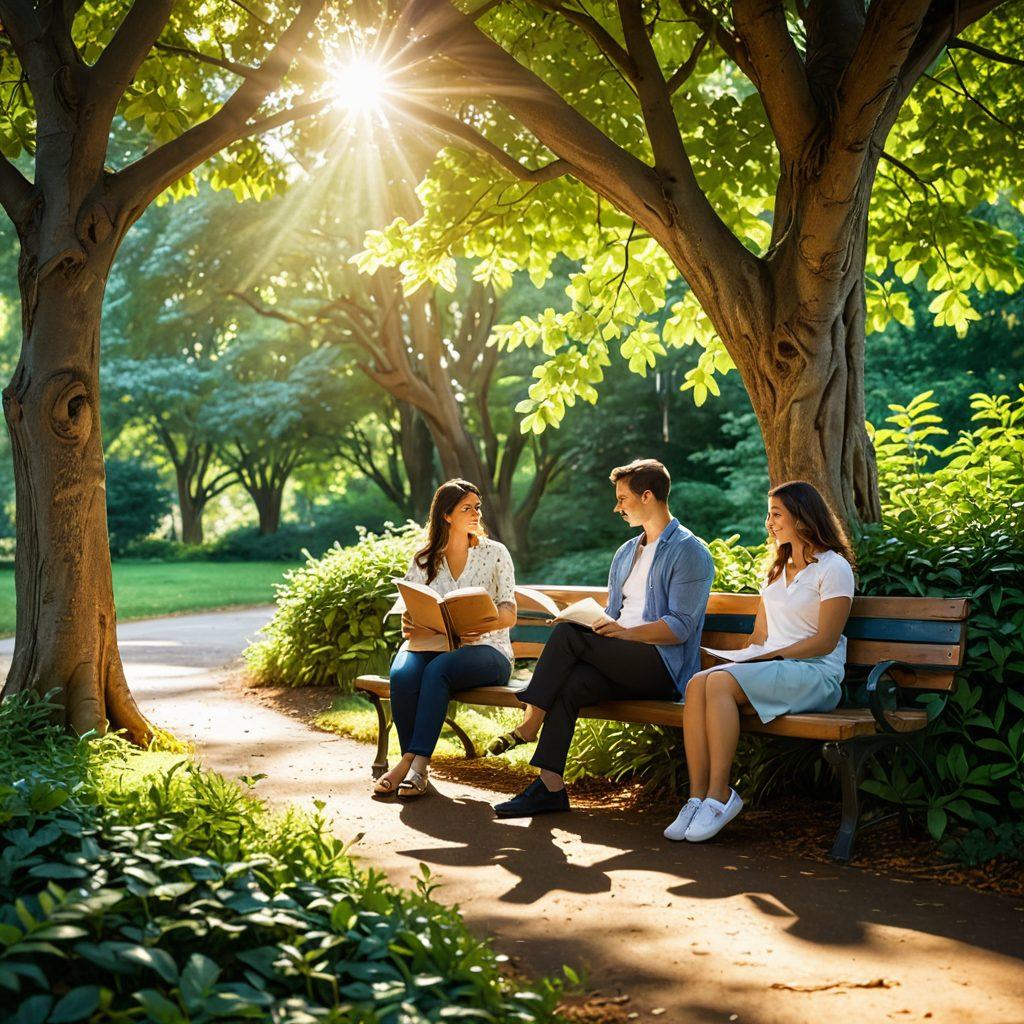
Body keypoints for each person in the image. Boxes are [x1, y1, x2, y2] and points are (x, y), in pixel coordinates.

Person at [491, 458, 715, 818]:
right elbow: (613, 612)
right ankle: (549, 787)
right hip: (620, 657)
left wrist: (623, 633)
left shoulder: (690, 552)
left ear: (647, 496)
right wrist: (590, 622)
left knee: (568, 636)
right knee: (570, 683)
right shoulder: (626, 553)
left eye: (623, 499)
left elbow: (680, 627)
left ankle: (530, 723)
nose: (617, 507)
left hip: (660, 666)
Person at [665, 480, 856, 843]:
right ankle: (697, 797)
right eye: (768, 514)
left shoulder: (834, 569)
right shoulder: (775, 572)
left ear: (803, 517)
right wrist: (740, 657)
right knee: (697, 683)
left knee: (719, 683)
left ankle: (721, 795)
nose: (769, 522)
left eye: (776, 514)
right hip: (774, 668)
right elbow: (759, 639)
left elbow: (825, 641)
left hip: (816, 674)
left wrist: (767, 657)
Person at [373, 479, 517, 799]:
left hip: (487, 649)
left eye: (477, 507)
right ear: (446, 515)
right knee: (402, 672)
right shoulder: (424, 559)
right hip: (431, 644)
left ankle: (414, 761)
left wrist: (479, 622)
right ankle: (414, 767)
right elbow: (409, 618)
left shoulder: (495, 554)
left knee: (439, 670)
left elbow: (509, 612)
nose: (476, 513)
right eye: (467, 508)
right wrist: (414, 624)